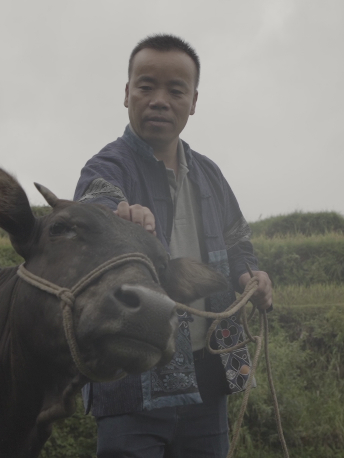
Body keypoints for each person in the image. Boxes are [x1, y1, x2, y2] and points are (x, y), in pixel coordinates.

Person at [73, 34, 273, 458]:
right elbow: (95, 204)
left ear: (193, 101)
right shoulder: (108, 166)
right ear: (127, 93)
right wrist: (120, 216)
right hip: (132, 381)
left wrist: (248, 275)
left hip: (207, 379)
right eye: (146, 86)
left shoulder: (209, 175)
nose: (159, 100)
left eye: (175, 90)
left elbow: (238, 241)